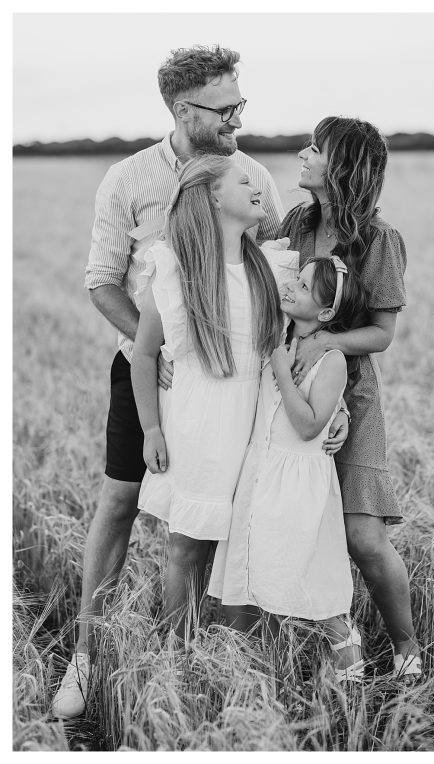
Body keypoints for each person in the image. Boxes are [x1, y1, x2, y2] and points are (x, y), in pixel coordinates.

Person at [54, 44, 283, 719]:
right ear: (185, 111)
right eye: (226, 107)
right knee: (121, 500)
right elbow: (101, 283)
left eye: (240, 102)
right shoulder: (127, 180)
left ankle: (209, 655)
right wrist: (168, 350)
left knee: (225, 514)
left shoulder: (252, 175)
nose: (239, 116)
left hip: (232, 385)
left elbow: (271, 268)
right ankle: (87, 656)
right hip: (146, 370)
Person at [275, 117, 421, 678]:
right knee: (295, 519)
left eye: (315, 148)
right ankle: (332, 636)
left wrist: (327, 342)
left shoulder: (379, 240)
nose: (302, 154)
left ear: (342, 166)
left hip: (351, 397)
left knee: (363, 536)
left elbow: (382, 333)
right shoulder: (296, 225)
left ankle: (406, 646)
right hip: (290, 392)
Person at [131, 154, 282, 644]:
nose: (258, 187)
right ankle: (175, 654)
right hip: (199, 427)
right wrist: (152, 428)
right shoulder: (174, 268)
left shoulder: (267, 269)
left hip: (252, 428)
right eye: (245, 180)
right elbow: (144, 355)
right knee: (187, 546)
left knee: (240, 544)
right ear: (214, 196)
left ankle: (231, 652)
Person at [208, 254, 371, 683]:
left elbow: (307, 425)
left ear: (326, 312)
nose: (290, 288)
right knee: (260, 569)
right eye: (294, 281)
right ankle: (251, 665)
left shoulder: (330, 358)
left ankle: (348, 660)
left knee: (312, 574)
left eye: (301, 287)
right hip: (262, 474)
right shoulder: (281, 338)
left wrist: (282, 372)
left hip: (299, 487)